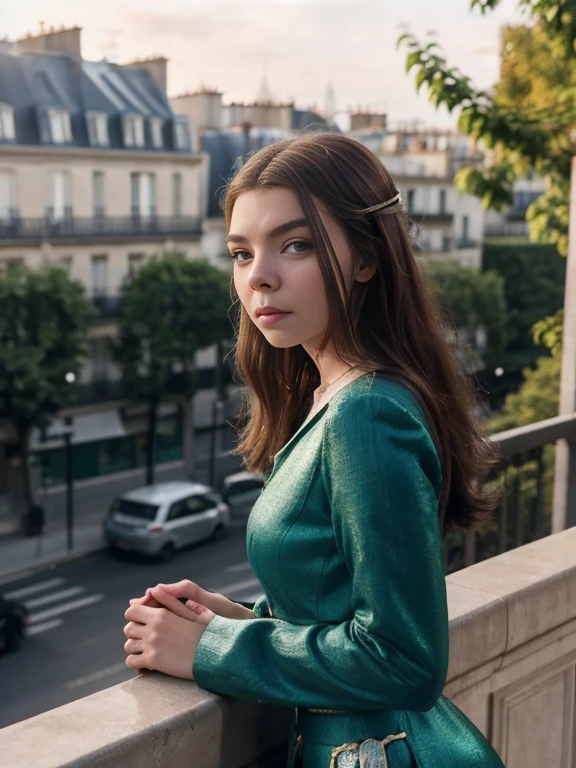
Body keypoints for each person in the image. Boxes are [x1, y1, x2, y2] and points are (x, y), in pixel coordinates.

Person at [123, 133, 506, 767]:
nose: (259, 277)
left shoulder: (367, 413)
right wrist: (242, 619)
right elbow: (344, 594)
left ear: (367, 257)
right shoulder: (337, 394)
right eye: (241, 253)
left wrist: (211, 648)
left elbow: (404, 658)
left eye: (295, 244)